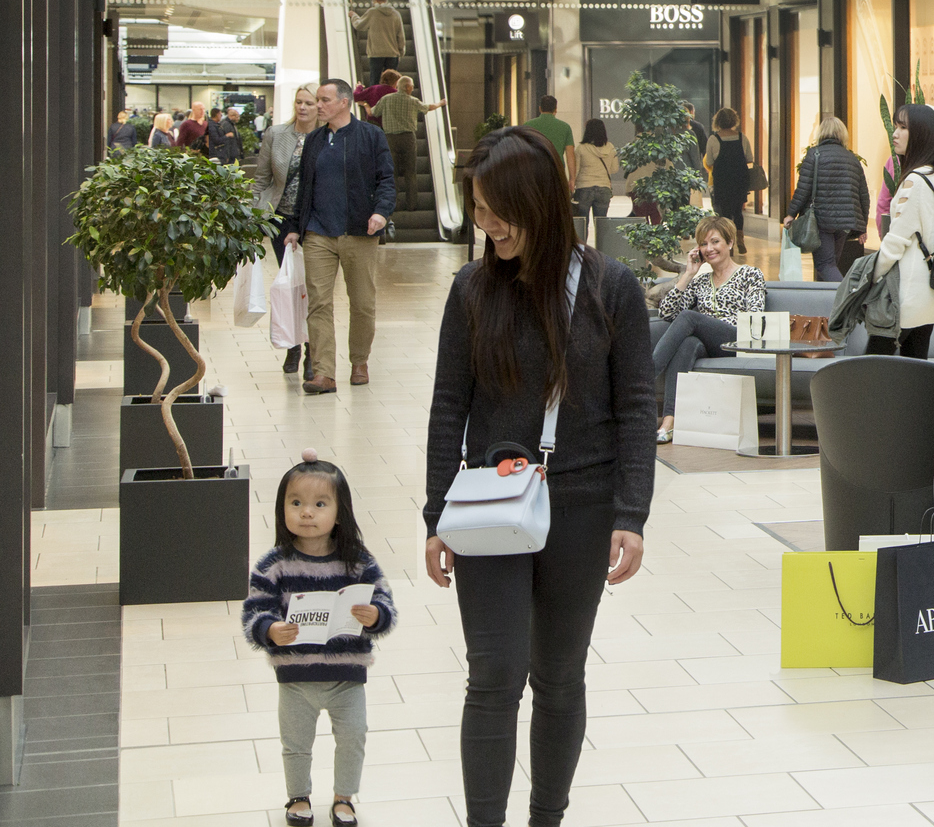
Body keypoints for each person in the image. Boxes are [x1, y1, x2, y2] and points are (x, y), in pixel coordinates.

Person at [420, 125, 655, 827]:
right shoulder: (471, 290)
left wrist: (631, 513)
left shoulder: (611, 289)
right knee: (494, 676)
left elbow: (639, 406)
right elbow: (448, 406)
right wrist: (436, 514)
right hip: (490, 510)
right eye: (479, 210)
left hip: (581, 506)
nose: (486, 226)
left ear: (540, 202)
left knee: (558, 678)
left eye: (498, 211)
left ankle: (546, 818)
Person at [243, 454, 396, 827]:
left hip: (347, 677)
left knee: (353, 737)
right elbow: (253, 614)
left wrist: (375, 616)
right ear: (282, 510)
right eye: (295, 503)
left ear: (340, 513)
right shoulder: (272, 565)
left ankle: (344, 797)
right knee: (295, 744)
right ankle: (298, 796)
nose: (306, 513)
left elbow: (386, 603)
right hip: (295, 679)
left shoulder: (358, 562)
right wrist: (270, 631)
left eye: (319, 504)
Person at [294, 80, 396, 396]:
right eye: (316, 100)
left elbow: (387, 180)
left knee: (363, 303)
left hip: (359, 232)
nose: (317, 106)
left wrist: (380, 212)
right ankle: (324, 373)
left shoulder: (371, 136)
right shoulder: (314, 140)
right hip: (318, 233)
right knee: (318, 303)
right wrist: (295, 229)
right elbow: (304, 186)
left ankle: (359, 362)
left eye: (324, 100)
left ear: (343, 102)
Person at [651, 216, 765, 443]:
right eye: (704, 244)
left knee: (689, 318)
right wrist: (689, 273)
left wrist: (713, 324)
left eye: (715, 241)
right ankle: (669, 421)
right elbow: (666, 313)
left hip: (738, 340)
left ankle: (644, 377)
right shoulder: (701, 281)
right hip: (709, 344)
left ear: (730, 243)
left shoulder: (750, 274)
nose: (709, 249)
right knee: (688, 343)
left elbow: (755, 318)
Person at [870, 103, 934, 358]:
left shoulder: (915, 181)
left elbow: (895, 241)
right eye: (895, 126)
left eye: (903, 127)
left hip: (907, 297)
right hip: (929, 295)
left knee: (870, 369)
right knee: (914, 372)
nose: (895, 133)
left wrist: (870, 277)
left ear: (920, 135)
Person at [258, 85, 322, 377]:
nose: (303, 107)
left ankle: (312, 351)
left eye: (309, 102)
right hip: (281, 220)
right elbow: (261, 179)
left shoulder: (326, 137)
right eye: (299, 102)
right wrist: (256, 215)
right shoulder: (275, 134)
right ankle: (292, 345)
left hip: (314, 219)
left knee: (312, 286)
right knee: (289, 284)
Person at [786, 117, 869, 281]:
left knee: (825, 265)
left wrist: (791, 214)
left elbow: (803, 188)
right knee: (831, 264)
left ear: (821, 133)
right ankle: (828, 303)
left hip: (821, 220)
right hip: (844, 224)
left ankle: (846, 298)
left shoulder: (814, 155)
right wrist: (862, 226)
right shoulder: (852, 159)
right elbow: (863, 195)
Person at [376, 76, 444, 214]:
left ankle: (392, 204)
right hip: (408, 138)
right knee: (410, 172)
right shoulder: (413, 101)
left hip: (389, 138)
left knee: (391, 172)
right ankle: (411, 205)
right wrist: (441, 103)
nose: (413, 88)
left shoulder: (386, 99)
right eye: (412, 86)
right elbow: (428, 107)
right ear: (407, 87)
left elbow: (374, 112)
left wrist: (365, 105)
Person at [702, 107, 751, 234]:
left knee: (725, 213)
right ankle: (740, 238)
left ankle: (729, 241)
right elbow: (749, 158)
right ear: (734, 120)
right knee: (738, 211)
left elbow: (709, 162)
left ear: (717, 121)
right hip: (740, 180)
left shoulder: (714, 139)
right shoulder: (742, 137)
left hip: (722, 181)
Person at [521, 95, 578, 189]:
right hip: (556, 172)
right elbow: (570, 155)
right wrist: (572, 179)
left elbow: (522, 151)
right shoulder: (565, 127)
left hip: (534, 172)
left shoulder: (528, 125)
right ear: (555, 109)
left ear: (540, 108)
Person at [572, 119, 622, 222]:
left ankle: (581, 239)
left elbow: (575, 171)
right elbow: (614, 169)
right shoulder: (611, 147)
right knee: (601, 224)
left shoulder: (581, 148)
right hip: (604, 188)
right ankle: (601, 239)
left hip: (584, 188)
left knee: (582, 223)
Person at [353, 0, 405, 85]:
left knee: (375, 81)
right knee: (392, 83)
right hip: (393, 54)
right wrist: (400, 53)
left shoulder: (372, 12)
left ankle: (375, 99)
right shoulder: (396, 14)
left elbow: (359, 25)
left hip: (376, 53)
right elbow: (400, 35)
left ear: (376, 0)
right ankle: (390, 99)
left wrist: (353, 16)